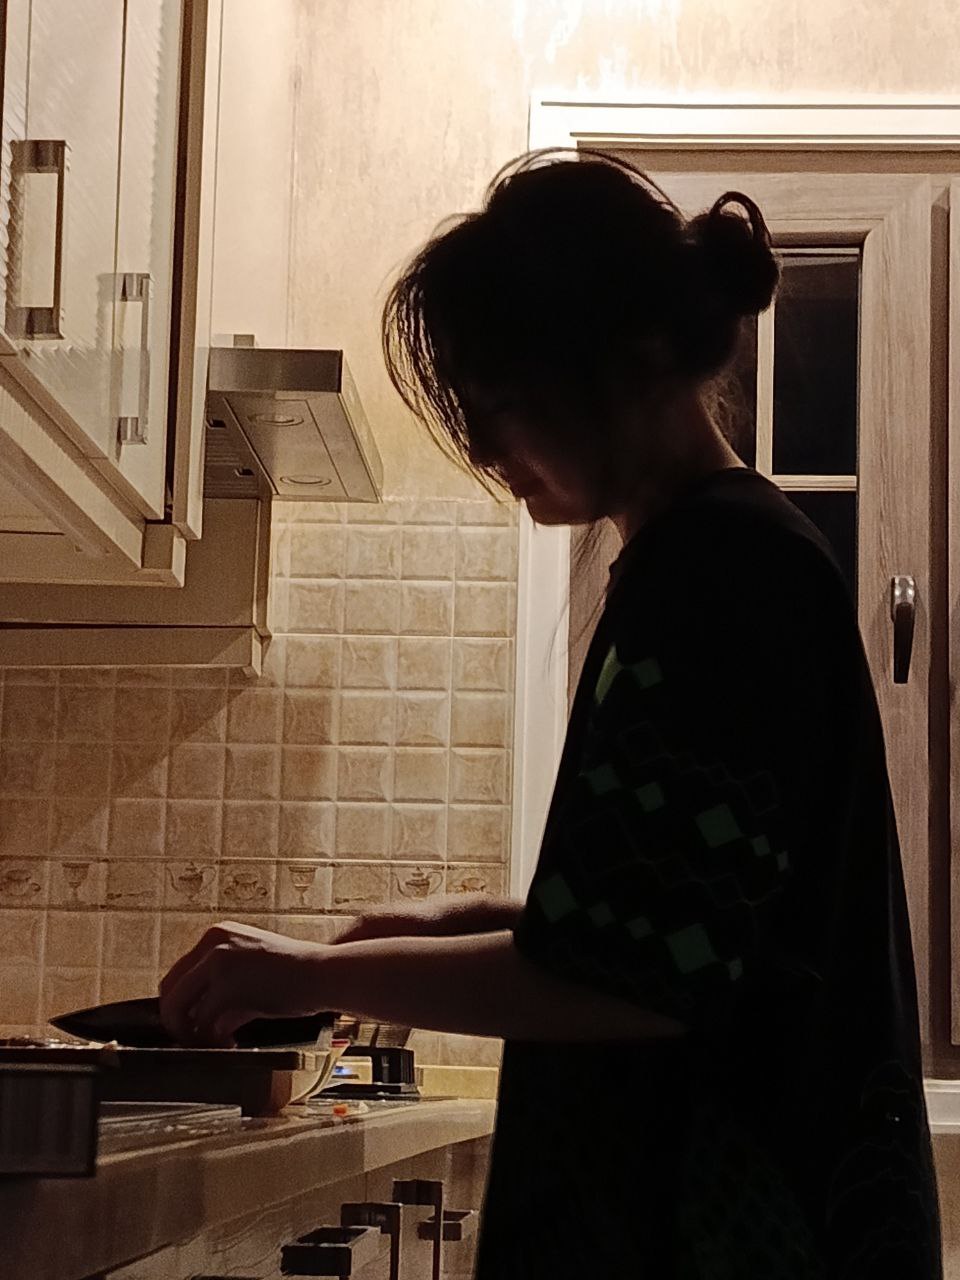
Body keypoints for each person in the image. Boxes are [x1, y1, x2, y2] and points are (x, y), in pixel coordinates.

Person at [160, 151, 942, 1277]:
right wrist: (447, 925)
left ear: (631, 358)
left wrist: (307, 973)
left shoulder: (721, 575)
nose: (486, 450)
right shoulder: (708, 559)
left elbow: (628, 977)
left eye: (503, 401)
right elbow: (680, 919)